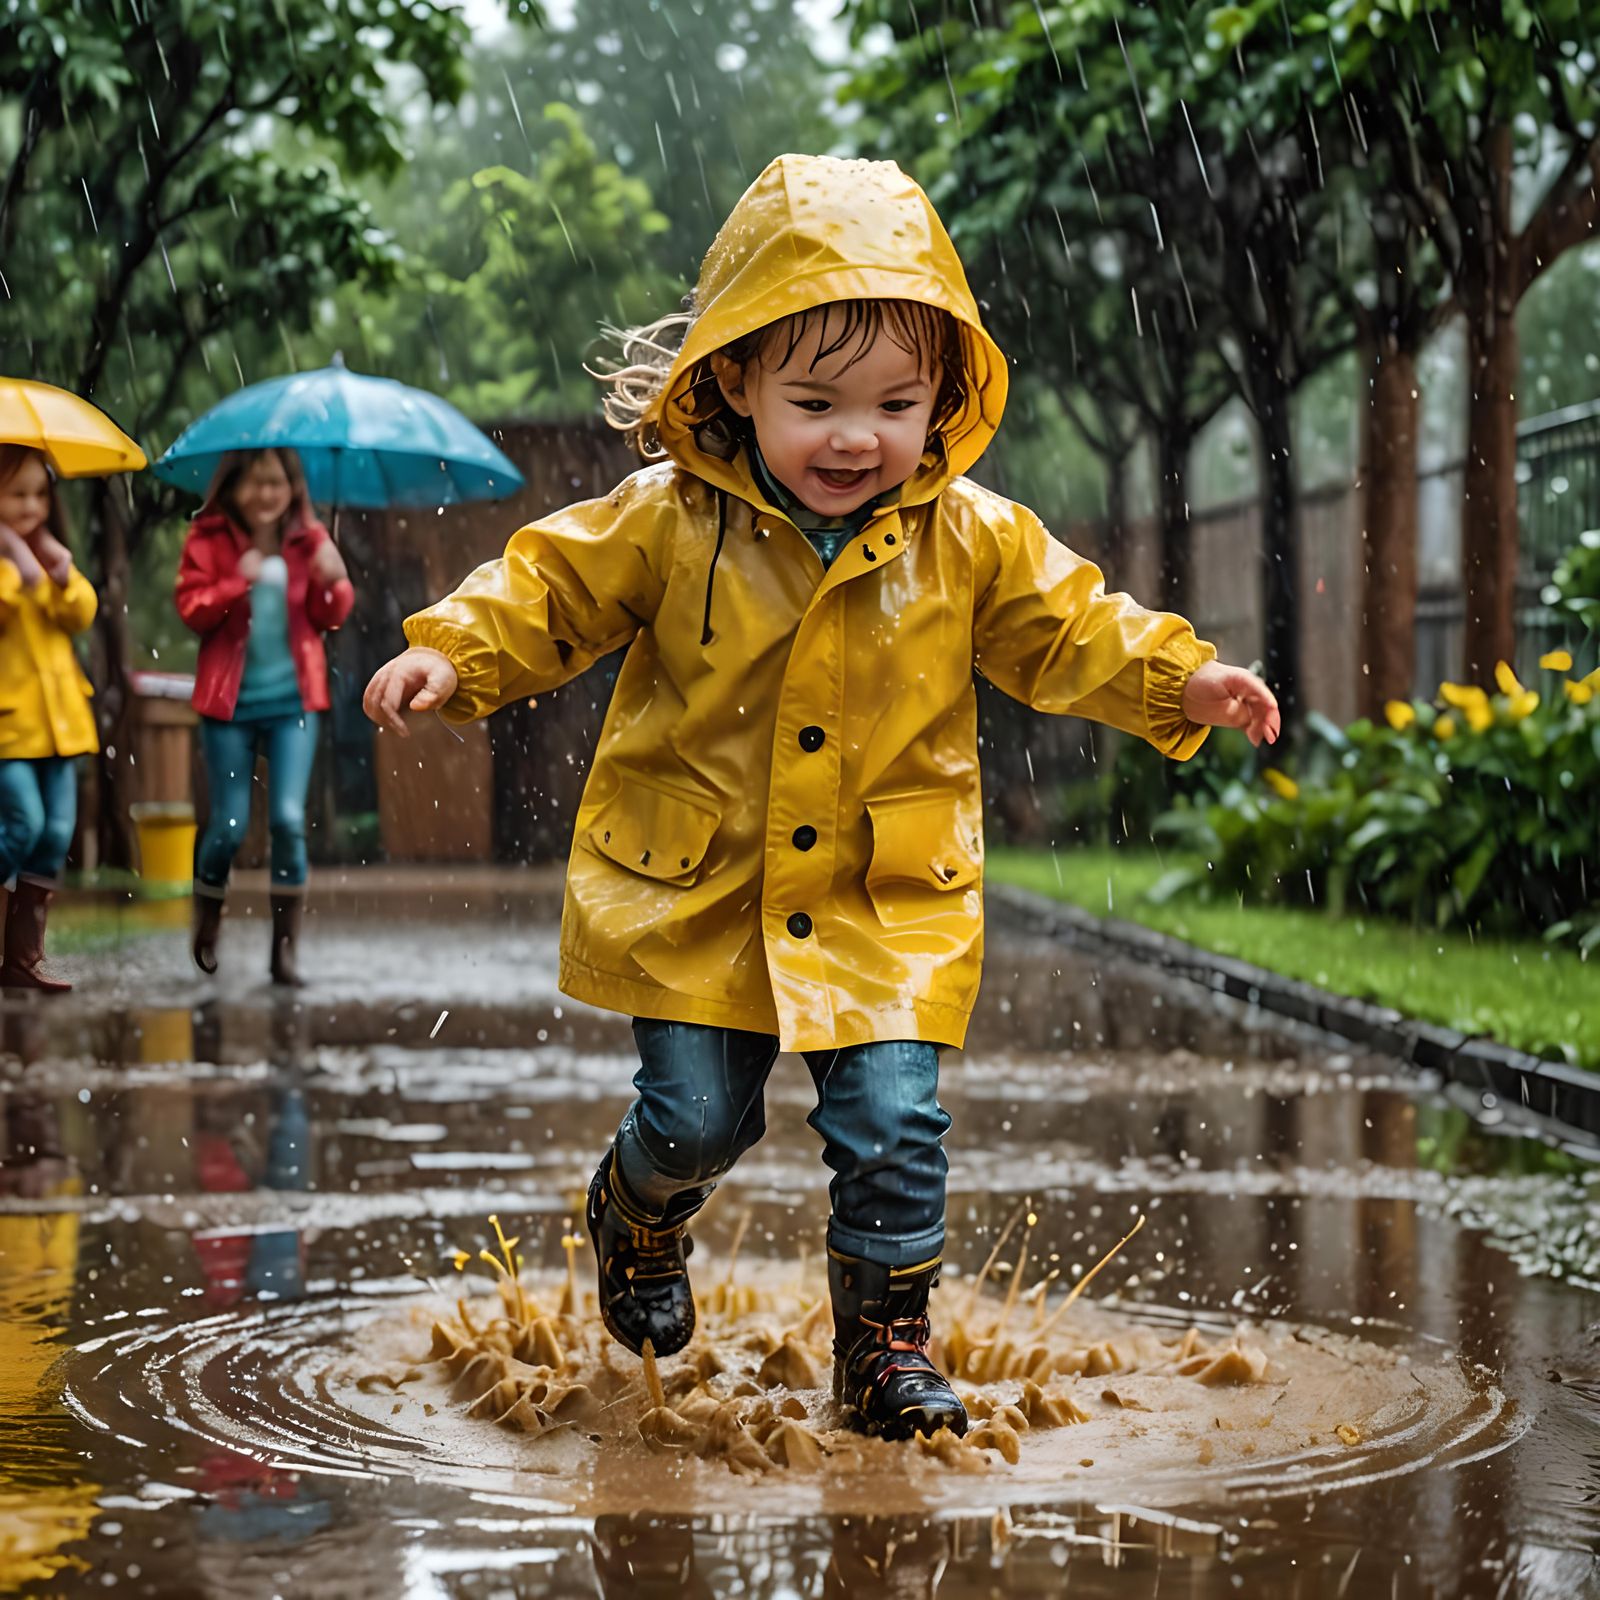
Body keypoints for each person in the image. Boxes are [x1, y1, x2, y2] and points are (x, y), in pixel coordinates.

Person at [363, 154, 1279, 1440]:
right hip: (699, 892)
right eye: (817, 401)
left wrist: (1180, 681)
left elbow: (1076, 627)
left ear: (942, 399)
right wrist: (451, 650)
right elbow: (547, 590)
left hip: (882, 893)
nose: (858, 436)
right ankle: (636, 1212)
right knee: (693, 1118)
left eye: (898, 402)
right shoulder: (669, 519)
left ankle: (887, 1351)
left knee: (895, 1121)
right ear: (734, 379)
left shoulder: (970, 536)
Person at [175, 448, 353, 985]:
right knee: (228, 827)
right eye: (253, 483)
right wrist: (238, 583)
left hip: (293, 703)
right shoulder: (208, 537)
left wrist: (334, 579)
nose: (265, 494)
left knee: (288, 821)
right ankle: (208, 920)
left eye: (275, 482)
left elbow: (331, 614)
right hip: (229, 704)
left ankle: (284, 952)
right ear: (233, 487)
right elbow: (192, 610)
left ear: (292, 486)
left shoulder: (310, 540)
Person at [0, 444, 98, 992]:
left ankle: (20, 960)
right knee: (22, 825)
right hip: (9, 728)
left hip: (61, 725)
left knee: (55, 832)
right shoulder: (10, 561)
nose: (32, 505)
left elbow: (80, 612)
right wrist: (13, 563)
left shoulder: (46, 553)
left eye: (40, 493)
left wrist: (59, 571)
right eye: (17, 493)